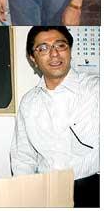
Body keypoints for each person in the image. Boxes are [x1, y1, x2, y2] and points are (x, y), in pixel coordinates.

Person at [11, 26, 99, 208]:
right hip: (46, 191)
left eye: (60, 46)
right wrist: (24, 195)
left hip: (93, 189)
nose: (54, 54)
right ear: (33, 59)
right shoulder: (29, 102)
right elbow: (23, 156)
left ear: (70, 51)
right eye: (43, 48)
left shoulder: (96, 89)